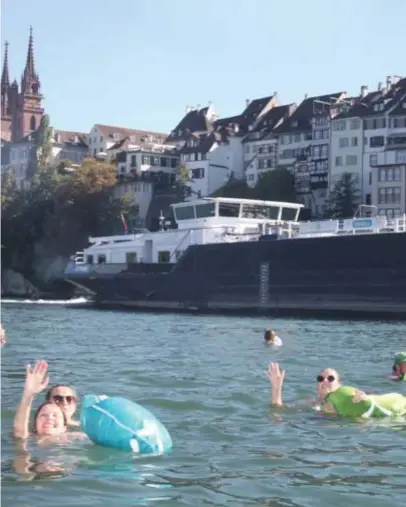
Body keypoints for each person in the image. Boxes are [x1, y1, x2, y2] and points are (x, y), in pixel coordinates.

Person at [266, 362, 406, 418]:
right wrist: (276, 388)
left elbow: (373, 399)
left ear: (339, 385)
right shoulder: (311, 403)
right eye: (320, 379)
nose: (325, 381)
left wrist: (364, 397)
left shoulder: (351, 396)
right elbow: (278, 410)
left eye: (330, 379)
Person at [13, 360, 67, 440]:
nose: (50, 418)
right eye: (43, 415)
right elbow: (20, 434)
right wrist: (28, 395)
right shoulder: (31, 441)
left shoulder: (77, 437)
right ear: (35, 426)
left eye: (55, 415)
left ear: (64, 428)